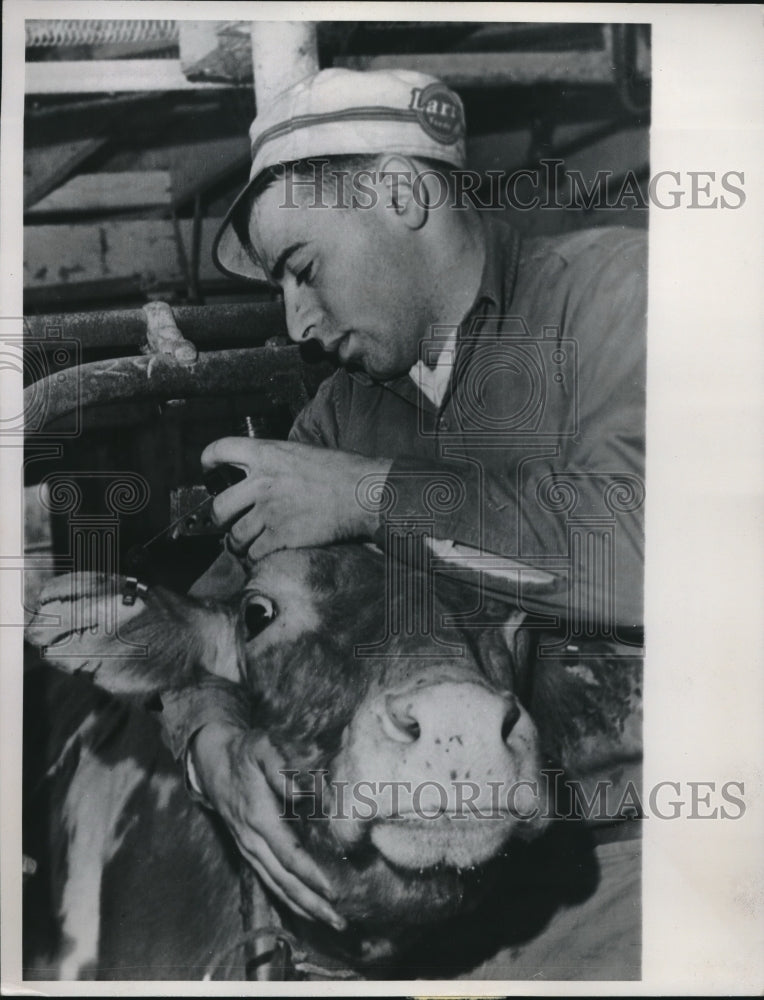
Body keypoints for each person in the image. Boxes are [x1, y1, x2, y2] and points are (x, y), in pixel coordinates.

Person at [159, 67, 646, 938]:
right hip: (417, 870)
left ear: (399, 193)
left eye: (302, 269)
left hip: (630, 855)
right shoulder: (346, 408)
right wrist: (210, 746)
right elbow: (213, 616)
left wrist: (368, 495)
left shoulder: (616, 294)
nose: (297, 324)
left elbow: (656, 553)